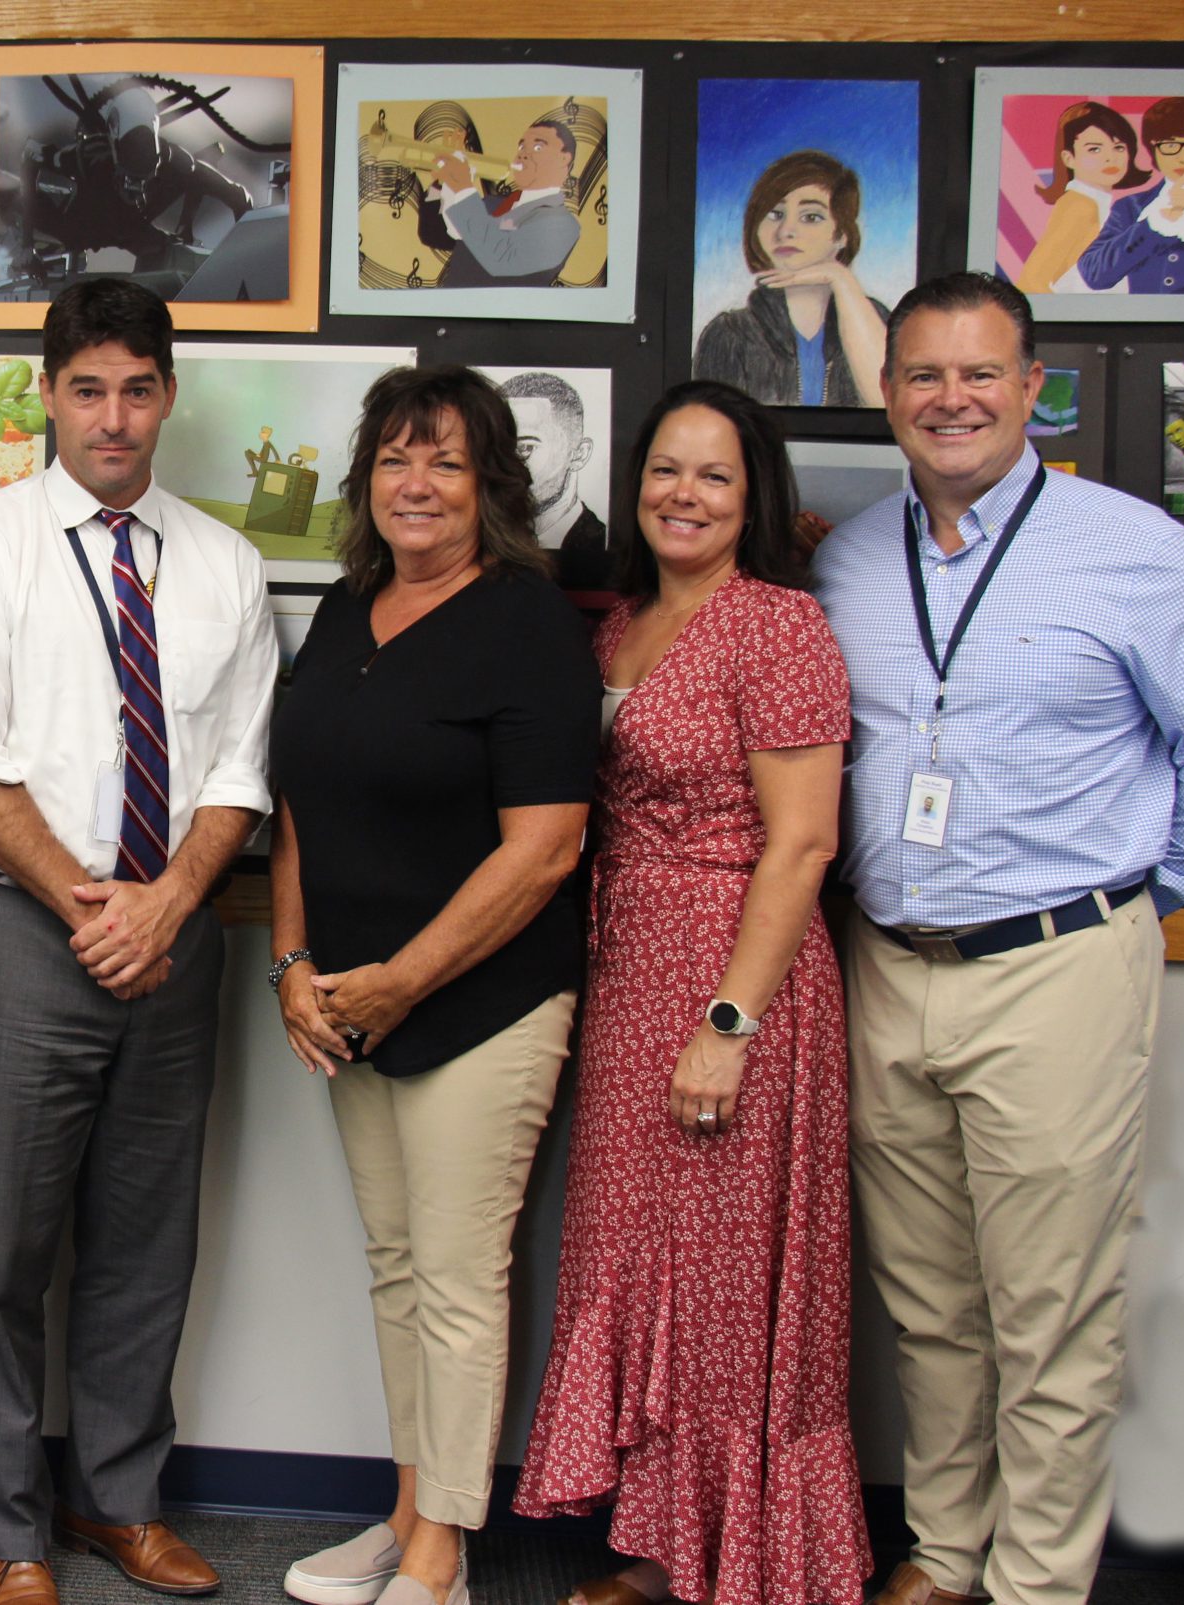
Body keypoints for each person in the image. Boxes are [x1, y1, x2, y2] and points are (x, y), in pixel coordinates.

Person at [810, 273, 1184, 1605]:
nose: (950, 400)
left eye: (981, 375)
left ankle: (1034, 1586)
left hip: (1057, 969)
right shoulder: (851, 558)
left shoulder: (1133, 551)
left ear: (1033, 390)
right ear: (888, 393)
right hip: (889, 964)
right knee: (929, 1309)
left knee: (1052, 1317)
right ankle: (950, 1554)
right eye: (923, 376)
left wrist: (1145, 899)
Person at [0, 276, 277, 1605]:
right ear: (50, 395)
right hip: (21, 934)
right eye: (86, 389)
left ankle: (122, 1501)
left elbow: (239, 769)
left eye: (136, 389)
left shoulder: (225, 564)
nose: (112, 417)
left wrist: (168, 903)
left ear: (166, 395)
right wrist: (87, 902)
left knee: (145, 1236)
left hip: (175, 942)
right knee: (3, 1251)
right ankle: (12, 1534)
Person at [511, 380, 868, 1605]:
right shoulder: (616, 628)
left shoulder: (774, 627)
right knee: (638, 1261)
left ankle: (740, 1555)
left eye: (714, 475)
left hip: (734, 984)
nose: (684, 493)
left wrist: (727, 1024)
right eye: (666, 468)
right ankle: (664, 1545)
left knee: (720, 1277)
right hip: (625, 977)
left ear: (752, 495)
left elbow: (802, 845)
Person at [266, 366, 598, 1605]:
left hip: (481, 1005)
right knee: (398, 1268)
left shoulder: (527, 624)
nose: (416, 485)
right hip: (353, 1004)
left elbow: (546, 848)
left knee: (460, 1281)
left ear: (490, 488)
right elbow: (298, 799)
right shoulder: (350, 609)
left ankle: (443, 1555)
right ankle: (407, 1512)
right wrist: (292, 963)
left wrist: (401, 981)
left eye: (446, 463)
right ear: (365, 483)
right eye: (395, 460)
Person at [694, 151, 889, 409]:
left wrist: (841, 279)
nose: (786, 231)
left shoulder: (872, 318)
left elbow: (889, 405)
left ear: (842, 235)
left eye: (810, 217)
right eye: (775, 214)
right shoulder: (730, 333)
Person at [1073, 97, 1184, 297]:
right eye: (1170, 146)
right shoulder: (1131, 206)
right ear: (1153, 149)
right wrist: (1154, 224)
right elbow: (1094, 275)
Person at [418, 117, 582, 287]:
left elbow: (501, 258)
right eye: (521, 146)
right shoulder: (491, 204)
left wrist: (462, 187)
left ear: (564, 159)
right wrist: (443, 183)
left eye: (538, 147)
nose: (523, 153)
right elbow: (435, 235)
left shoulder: (563, 224)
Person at [1013, 102, 1148, 295]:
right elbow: (1031, 282)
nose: (1110, 158)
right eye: (1094, 149)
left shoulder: (1102, 205)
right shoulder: (1079, 206)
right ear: (1069, 158)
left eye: (1118, 147)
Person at [498, 371, 611, 589]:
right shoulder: (469, 545)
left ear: (579, 454)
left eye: (524, 448)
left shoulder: (600, 541)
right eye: (496, 449)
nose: (504, 466)